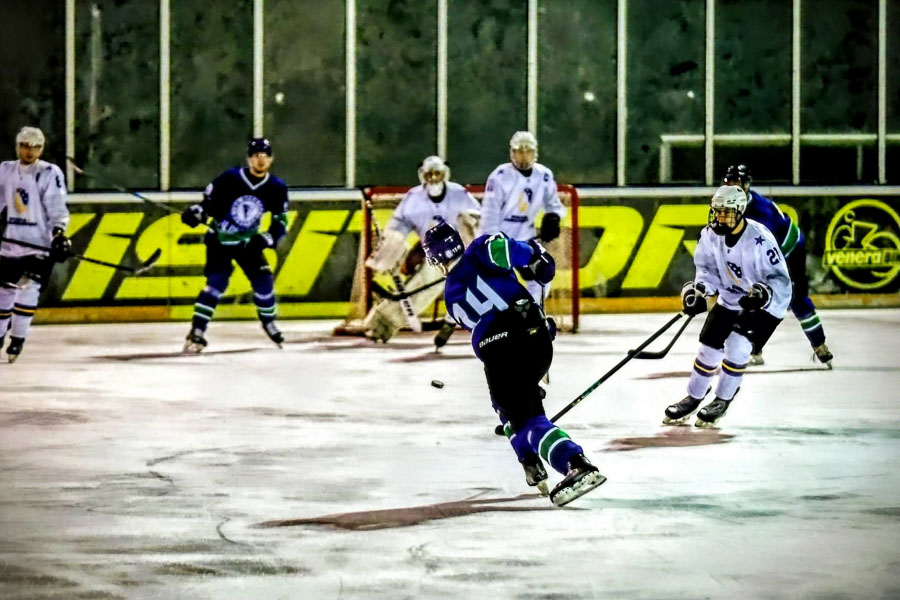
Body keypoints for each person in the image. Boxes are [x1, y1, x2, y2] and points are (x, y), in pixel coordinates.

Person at [422, 221, 606, 507]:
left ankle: (575, 463)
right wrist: (535, 256)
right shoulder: (481, 248)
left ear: (435, 259)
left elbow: (489, 331)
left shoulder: (451, 294)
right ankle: (530, 457)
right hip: (537, 339)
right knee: (509, 406)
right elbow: (509, 250)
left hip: (502, 354)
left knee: (523, 418)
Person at [663, 185, 792, 428]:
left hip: (765, 306)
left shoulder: (759, 239)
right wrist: (699, 290)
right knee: (708, 348)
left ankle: (722, 399)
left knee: (737, 345)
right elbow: (707, 270)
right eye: (716, 211)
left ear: (740, 211)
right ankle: (693, 397)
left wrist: (764, 294)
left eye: (725, 212)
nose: (719, 217)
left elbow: (780, 280)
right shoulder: (710, 235)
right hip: (730, 299)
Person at [180, 138, 288, 353]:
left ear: (271, 159)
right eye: (256, 155)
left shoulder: (276, 187)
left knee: (264, 281)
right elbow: (207, 205)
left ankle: (268, 321)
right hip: (220, 240)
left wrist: (266, 238)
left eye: (265, 156)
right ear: (249, 158)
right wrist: (196, 214)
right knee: (216, 284)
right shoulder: (230, 179)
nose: (260, 160)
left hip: (248, 243)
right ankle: (197, 330)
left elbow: (280, 221)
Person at [362, 155, 480, 344]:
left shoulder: (459, 194)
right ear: (422, 175)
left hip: (462, 252)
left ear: (445, 174)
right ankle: (382, 323)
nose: (433, 178)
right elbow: (398, 225)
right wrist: (391, 246)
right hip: (433, 253)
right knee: (422, 285)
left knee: (475, 284)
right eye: (429, 174)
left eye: (437, 173)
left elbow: (478, 219)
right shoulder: (414, 198)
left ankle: (458, 320)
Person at [724, 164, 832, 367]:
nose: (732, 186)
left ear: (746, 185)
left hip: (788, 251)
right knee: (750, 298)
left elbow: (768, 249)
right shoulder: (729, 204)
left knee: (793, 298)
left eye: (736, 183)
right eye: (729, 182)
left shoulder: (760, 212)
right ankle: (754, 347)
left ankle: (819, 345)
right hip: (770, 251)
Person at [0, 126, 71, 363]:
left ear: (41, 149)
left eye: (35, 147)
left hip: (38, 245)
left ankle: (17, 339)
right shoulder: (5, 170)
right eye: (24, 145)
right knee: (4, 291)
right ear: (17, 146)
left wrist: (59, 233)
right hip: (11, 243)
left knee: (29, 288)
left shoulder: (49, 172)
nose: (29, 151)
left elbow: (56, 206)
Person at [478, 131, 566, 307]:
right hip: (499, 241)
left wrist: (553, 217)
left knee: (541, 279)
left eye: (528, 151)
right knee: (490, 287)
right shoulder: (500, 176)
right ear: (512, 152)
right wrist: (494, 243)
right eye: (519, 151)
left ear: (535, 153)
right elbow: (489, 215)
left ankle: (531, 317)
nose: (524, 156)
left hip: (525, 240)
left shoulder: (544, 175)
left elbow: (553, 204)